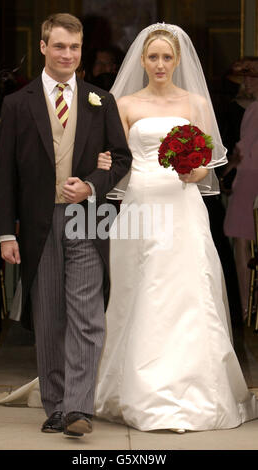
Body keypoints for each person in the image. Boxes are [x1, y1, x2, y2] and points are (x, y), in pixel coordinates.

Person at [94, 24, 258, 432]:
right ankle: (135, 390)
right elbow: (116, 159)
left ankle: (192, 391)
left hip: (183, 207)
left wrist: (196, 169)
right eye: (153, 57)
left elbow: (210, 162)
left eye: (167, 57)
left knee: (186, 291)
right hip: (139, 206)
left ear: (178, 60)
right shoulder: (124, 103)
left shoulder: (196, 102)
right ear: (143, 61)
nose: (160, 64)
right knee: (140, 290)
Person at [0, 13, 132, 438]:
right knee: (50, 315)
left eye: (74, 47)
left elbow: (122, 159)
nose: (67, 54)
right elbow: (5, 176)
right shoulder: (18, 103)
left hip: (88, 219)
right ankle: (56, 405)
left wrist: (92, 186)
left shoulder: (100, 100)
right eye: (59, 46)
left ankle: (78, 408)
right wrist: (5, 233)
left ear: (81, 49)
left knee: (87, 316)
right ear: (43, 47)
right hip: (38, 224)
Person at [223, 58, 258, 322]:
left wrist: (224, 170)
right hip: (246, 178)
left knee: (242, 242)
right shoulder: (249, 109)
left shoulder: (253, 110)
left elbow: (241, 152)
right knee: (243, 241)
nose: (247, 82)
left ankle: (247, 307)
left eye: (252, 77)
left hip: (249, 179)